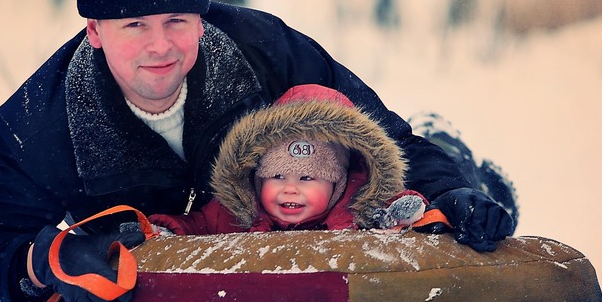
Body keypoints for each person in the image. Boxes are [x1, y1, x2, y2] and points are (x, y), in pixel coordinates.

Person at [0, 0, 515, 302]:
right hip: (190, 256)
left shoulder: (261, 48)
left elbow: (385, 141)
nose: (160, 46)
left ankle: (463, 158)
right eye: (135, 26)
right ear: (95, 31)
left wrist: (449, 193)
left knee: (452, 188)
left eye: (177, 20)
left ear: (200, 18)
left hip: (302, 213)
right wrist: (47, 258)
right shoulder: (43, 117)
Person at [147, 84, 428, 235]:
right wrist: (166, 231)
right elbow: (196, 225)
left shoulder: (360, 210)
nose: (290, 189)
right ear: (257, 177)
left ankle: (436, 130)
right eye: (278, 176)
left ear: (338, 183)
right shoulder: (233, 214)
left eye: (307, 178)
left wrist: (402, 212)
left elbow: (393, 210)